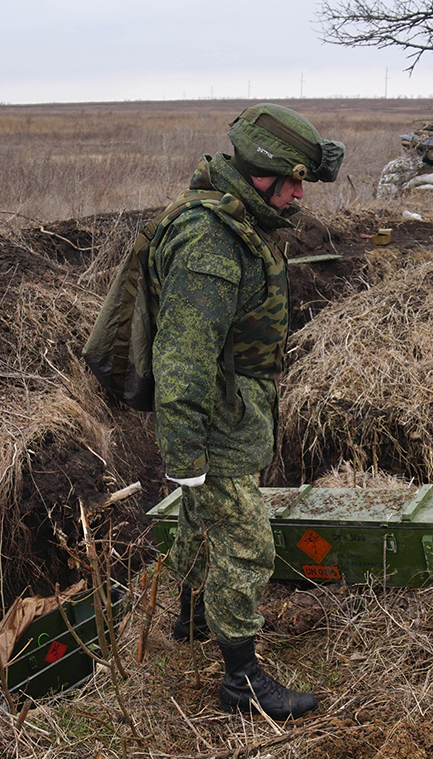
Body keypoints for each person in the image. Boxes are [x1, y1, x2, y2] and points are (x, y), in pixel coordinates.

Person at [149, 104, 344, 721]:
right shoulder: (210, 242)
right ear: (258, 171)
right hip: (213, 422)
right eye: (289, 180)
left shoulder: (239, 223)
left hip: (233, 414)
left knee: (201, 525)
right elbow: (181, 361)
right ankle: (240, 681)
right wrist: (184, 459)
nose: (297, 194)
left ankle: (182, 622)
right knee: (247, 541)